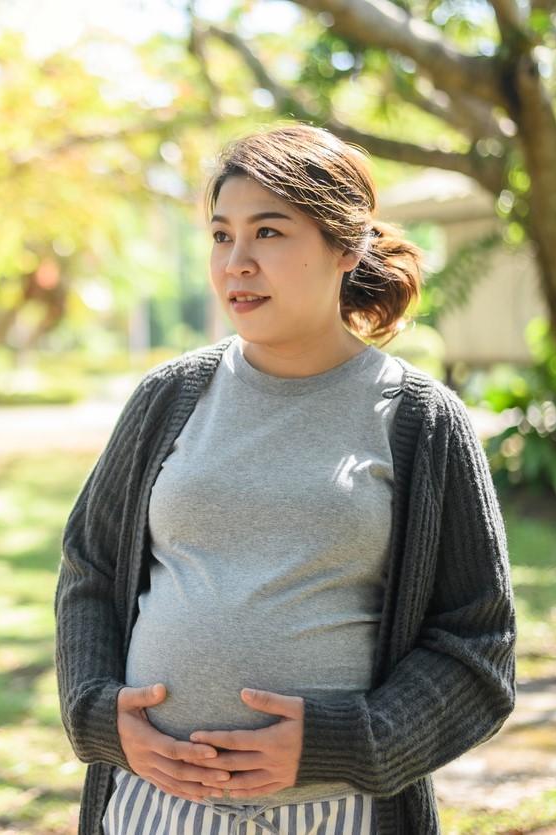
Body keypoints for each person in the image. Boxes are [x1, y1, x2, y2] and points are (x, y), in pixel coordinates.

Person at [53, 123, 517, 835]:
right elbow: (89, 568)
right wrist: (97, 711)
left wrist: (344, 740)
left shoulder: (421, 421)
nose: (235, 262)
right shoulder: (167, 397)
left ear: (346, 246)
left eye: (268, 232)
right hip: (152, 806)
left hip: (336, 813)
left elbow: (476, 644)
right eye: (219, 235)